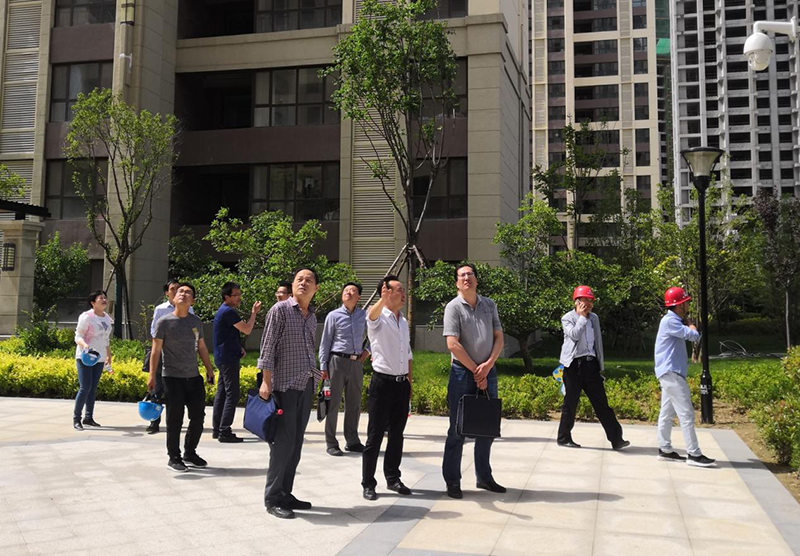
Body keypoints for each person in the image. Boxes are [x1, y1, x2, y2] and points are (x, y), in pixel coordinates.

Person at [258, 268, 321, 519]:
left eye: (309, 280)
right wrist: (266, 381)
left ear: (316, 288)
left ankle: (286, 493)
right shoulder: (280, 310)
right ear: (293, 285)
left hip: (305, 384)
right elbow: (268, 347)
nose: (303, 283)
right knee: (282, 444)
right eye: (299, 279)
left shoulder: (312, 316)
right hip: (283, 386)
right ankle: (273, 499)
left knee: (295, 443)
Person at [442, 264, 506, 499]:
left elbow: (499, 337)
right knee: (457, 429)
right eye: (462, 275)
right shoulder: (453, 307)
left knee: (487, 427)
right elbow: (453, 344)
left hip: (488, 370)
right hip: (462, 373)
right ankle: (452, 481)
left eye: (470, 274)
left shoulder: (489, 304)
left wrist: (487, 366)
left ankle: (484, 477)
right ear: (457, 283)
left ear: (476, 280)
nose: (466, 278)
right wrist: (476, 371)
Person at [148, 283, 214, 473]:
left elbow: (201, 347)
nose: (183, 294)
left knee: (198, 417)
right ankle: (174, 457)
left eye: (188, 292)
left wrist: (209, 368)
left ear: (193, 301)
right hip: (172, 377)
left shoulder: (195, 321)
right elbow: (156, 350)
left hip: (193, 377)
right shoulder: (164, 322)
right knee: (175, 419)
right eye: (180, 291)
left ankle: (190, 453)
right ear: (173, 297)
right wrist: (152, 376)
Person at [557, 285, 629, 451]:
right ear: (577, 301)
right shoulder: (567, 318)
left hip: (591, 364)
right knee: (570, 403)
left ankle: (617, 439)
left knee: (602, 403)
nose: (589, 304)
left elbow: (597, 342)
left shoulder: (594, 318)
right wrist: (582, 317)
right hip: (573, 366)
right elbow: (574, 335)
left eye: (591, 301)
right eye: (585, 300)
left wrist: (599, 364)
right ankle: (563, 438)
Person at [361, 275, 413, 501]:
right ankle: (368, 483)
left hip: (401, 385)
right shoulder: (378, 317)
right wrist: (381, 300)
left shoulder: (403, 321)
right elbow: (370, 316)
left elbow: (408, 354)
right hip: (382, 384)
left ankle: (393, 478)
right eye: (399, 290)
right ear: (387, 292)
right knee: (375, 435)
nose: (403, 294)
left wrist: (410, 383)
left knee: (397, 435)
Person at [654, 287, 716, 467]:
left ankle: (665, 449)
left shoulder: (672, 320)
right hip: (672, 373)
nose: (688, 304)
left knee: (667, 413)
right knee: (686, 413)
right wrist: (690, 323)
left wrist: (686, 321)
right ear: (679, 305)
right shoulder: (670, 321)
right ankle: (694, 454)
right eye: (686, 302)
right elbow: (694, 336)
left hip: (670, 372)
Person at [319, 282, 369, 456]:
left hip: (356, 363)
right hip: (337, 361)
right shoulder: (333, 315)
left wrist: (368, 350)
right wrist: (323, 365)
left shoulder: (364, 315)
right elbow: (325, 342)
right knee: (332, 403)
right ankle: (331, 442)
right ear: (342, 295)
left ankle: (352, 441)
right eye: (346, 290)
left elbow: (375, 335)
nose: (348, 293)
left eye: (353, 291)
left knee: (354, 403)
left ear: (358, 297)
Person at [142, 279, 194, 434]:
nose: (176, 292)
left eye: (179, 289)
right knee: (157, 389)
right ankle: (154, 422)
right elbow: (154, 330)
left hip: (179, 357)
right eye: (173, 289)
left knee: (177, 391)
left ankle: (175, 422)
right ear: (166, 293)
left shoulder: (189, 309)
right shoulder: (160, 309)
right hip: (162, 354)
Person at [212, 281, 261, 443]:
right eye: (236, 295)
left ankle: (218, 428)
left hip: (224, 356)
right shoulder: (228, 311)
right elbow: (246, 329)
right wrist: (254, 313)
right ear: (227, 297)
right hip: (228, 359)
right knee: (232, 394)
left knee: (222, 393)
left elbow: (226, 334)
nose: (239, 298)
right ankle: (225, 431)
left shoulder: (224, 310)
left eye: (240, 294)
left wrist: (238, 346)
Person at [73, 291, 114, 430]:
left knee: (92, 389)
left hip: (99, 357)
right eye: (100, 298)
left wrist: (108, 356)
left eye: (105, 298)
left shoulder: (107, 319)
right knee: (85, 387)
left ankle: (88, 418)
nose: (104, 300)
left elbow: (106, 340)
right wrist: (85, 346)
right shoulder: (87, 317)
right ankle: (76, 419)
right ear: (93, 302)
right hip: (85, 356)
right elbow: (78, 336)